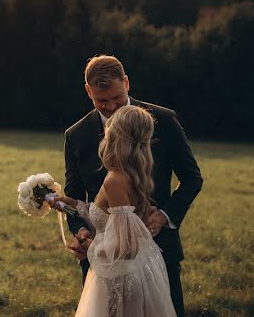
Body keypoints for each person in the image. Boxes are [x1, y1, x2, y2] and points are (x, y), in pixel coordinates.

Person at [63, 55, 203, 317]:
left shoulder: (163, 120)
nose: (112, 106)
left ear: (126, 83)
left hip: (158, 253)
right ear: (88, 92)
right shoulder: (76, 136)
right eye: (101, 101)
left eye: (116, 97)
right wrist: (81, 232)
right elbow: (74, 197)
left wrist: (164, 216)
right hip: (103, 267)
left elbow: (192, 179)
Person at [51, 105, 178, 316]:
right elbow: (106, 216)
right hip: (131, 271)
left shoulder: (115, 181)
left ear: (114, 136)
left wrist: (91, 247)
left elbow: (127, 247)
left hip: (120, 277)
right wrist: (72, 206)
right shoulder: (133, 173)